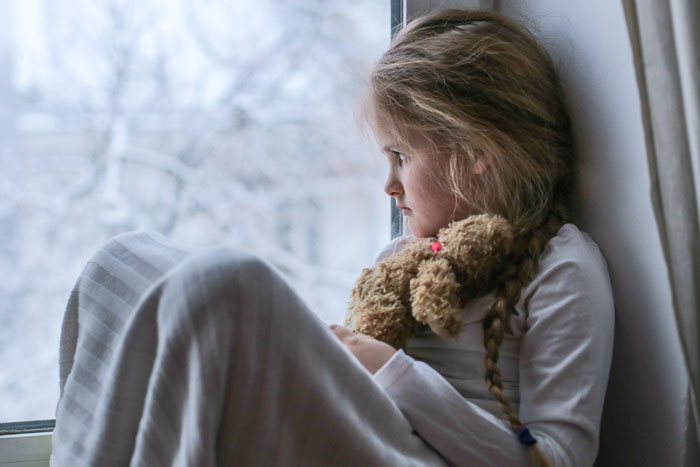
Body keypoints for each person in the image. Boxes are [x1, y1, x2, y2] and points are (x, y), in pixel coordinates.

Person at [51, 9, 613, 467]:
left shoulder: (559, 267)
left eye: (401, 155)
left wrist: (393, 371)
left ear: (477, 153)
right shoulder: (402, 260)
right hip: (377, 434)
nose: (388, 184)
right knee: (119, 263)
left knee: (227, 285)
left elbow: (558, 459)